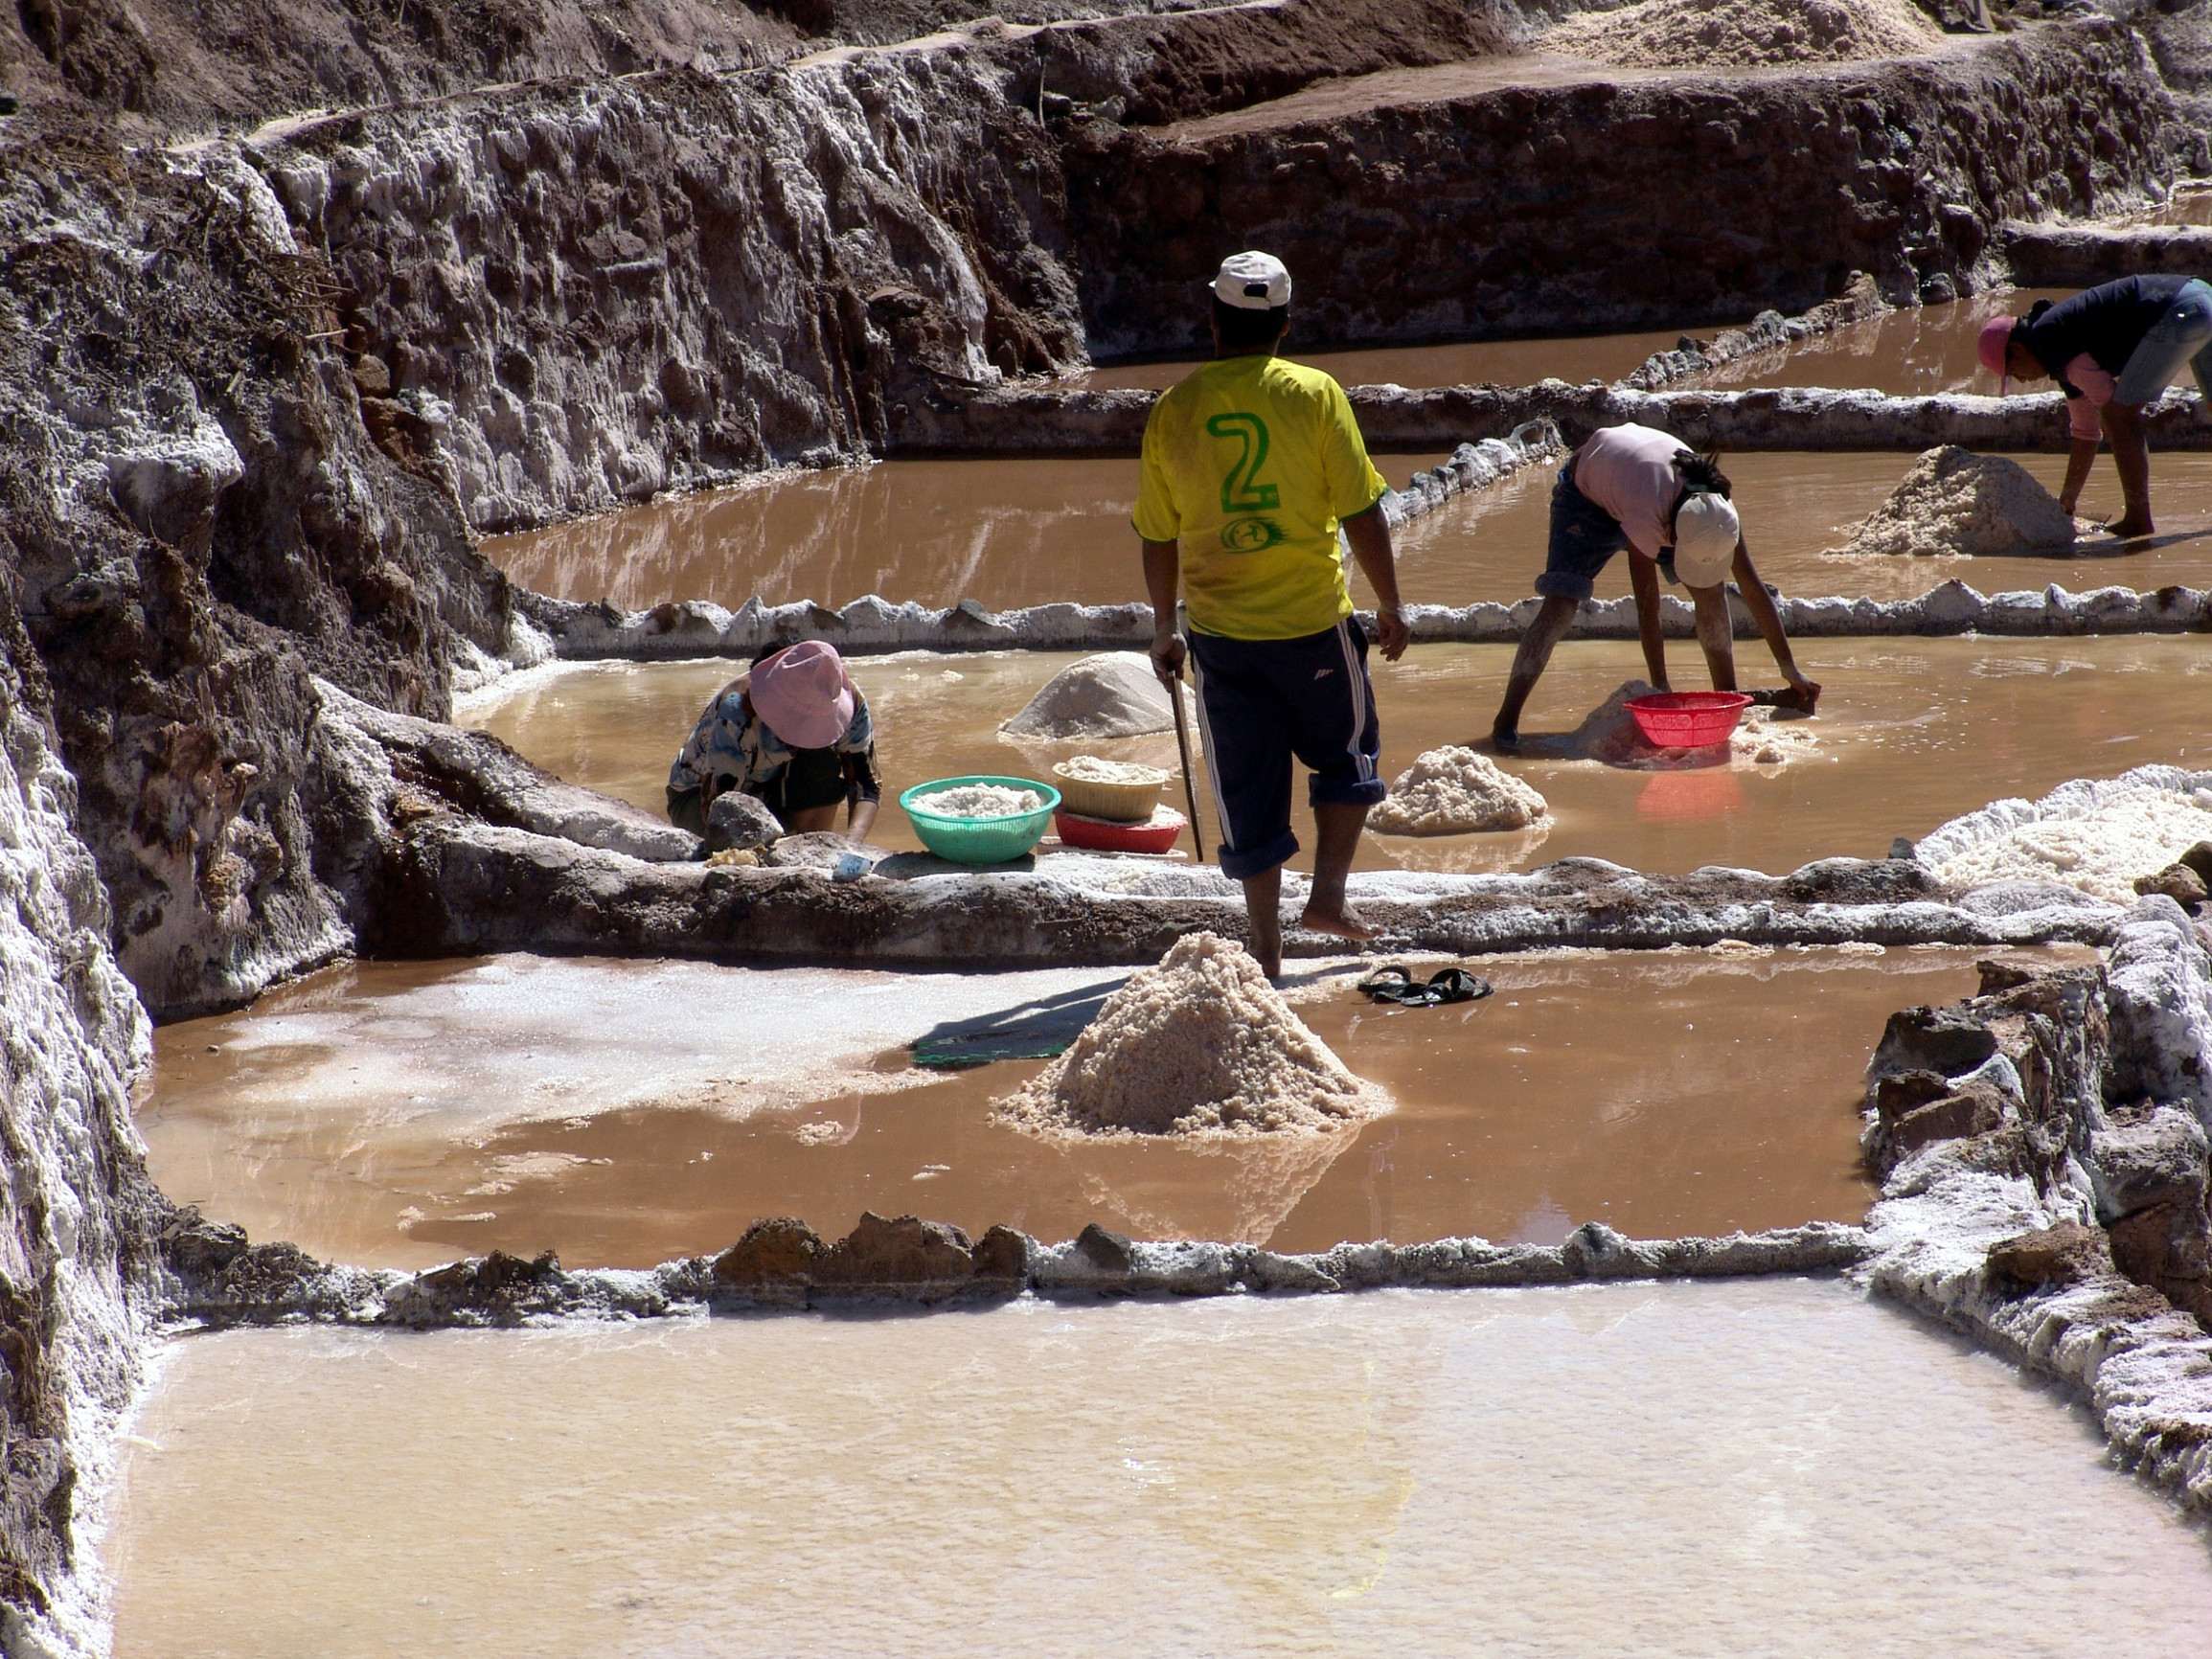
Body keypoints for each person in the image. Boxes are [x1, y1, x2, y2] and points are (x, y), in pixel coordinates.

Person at [1134, 249, 1410, 980]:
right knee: (1348, 758)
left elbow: (1157, 533)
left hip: (1222, 639)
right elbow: (1361, 510)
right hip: (1313, 625)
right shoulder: (1315, 394)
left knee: (1247, 789)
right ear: (1285, 326)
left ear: (1212, 321)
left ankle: (1266, 949)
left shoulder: (1174, 409)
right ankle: (1326, 898)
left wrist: (1163, 627)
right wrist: (1390, 603)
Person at [1490, 422, 1820, 751]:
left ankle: (1726, 700)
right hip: (1586, 495)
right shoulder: (1648, 510)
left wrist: (1789, 668)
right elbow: (1647, 606)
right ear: (1671, 534)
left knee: (1710, 590)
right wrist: (1660, 688)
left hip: (1641, 488)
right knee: (1561, 605)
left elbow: (1752, 587)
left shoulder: (1719, 513)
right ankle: (1506, 721)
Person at [1979, 275, 2212, 537]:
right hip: (2203, 298)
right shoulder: (2059, 350)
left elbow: (2111, 408)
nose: (2022, 380)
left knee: (2117, 415)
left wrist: (2116, 428)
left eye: (2014, 371)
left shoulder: (2048, 338)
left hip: (2177, 311)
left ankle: (2138, 520)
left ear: (2018, 349)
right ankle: (2137, 518)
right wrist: (2067, 501)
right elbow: (2085, 432)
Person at [666, 639, 880, 838]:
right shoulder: (738, 711)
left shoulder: (845, 699)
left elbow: (866, 786)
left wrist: (851, 846)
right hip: (698, 796)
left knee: (821, 761)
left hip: (776, 785)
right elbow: (719, 808)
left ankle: (810, 845)